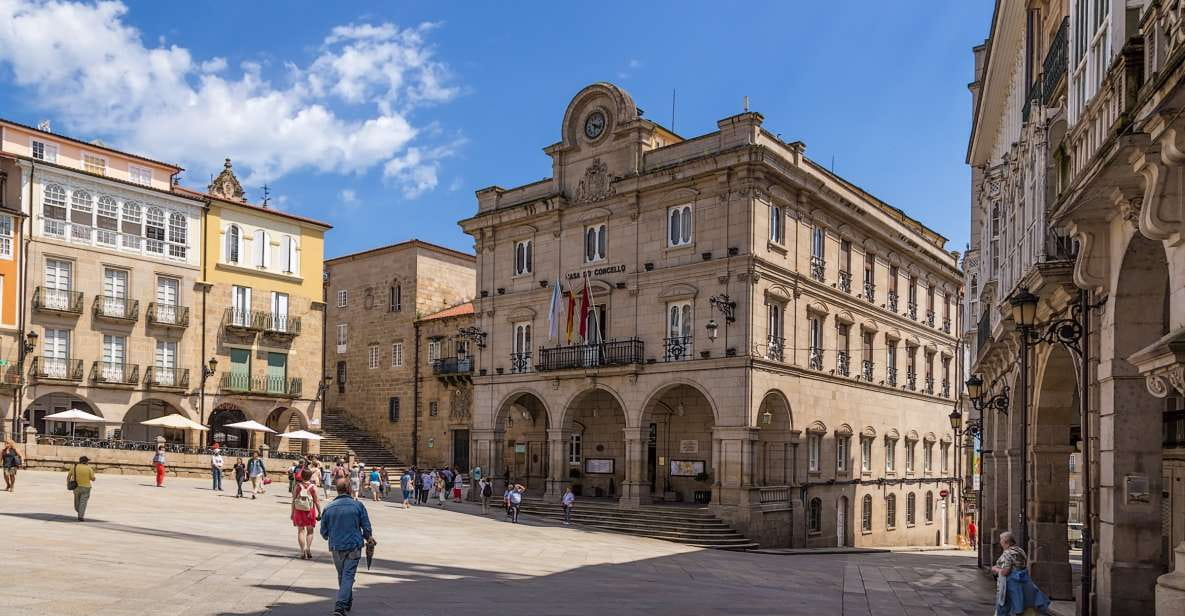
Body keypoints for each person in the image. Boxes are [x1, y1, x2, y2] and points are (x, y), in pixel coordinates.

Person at [320, 478, 374, 616]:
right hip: (354, 545)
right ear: (349, 488)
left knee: (343, 574)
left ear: (337, 490)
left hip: (336, 546)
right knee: (348, 575)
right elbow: (366, 526)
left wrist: (330, 535)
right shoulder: (358, 505)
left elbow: (324, 532)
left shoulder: (328, 507)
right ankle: (340, 606)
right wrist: (368, 537)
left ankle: (346, 601)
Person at [991, 531, 1051, 616]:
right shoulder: (1020, 550)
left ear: (1006, 542)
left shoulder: (1007, 553)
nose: (1000, 542)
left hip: (1010, 584)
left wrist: (995, 569)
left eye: (1001, 540)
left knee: (1004, 606)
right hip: (1023, 582)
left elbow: (1005, 572)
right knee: (1022, 605)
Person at [291, 468, 322, 559]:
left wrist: (292, 513)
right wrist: (319, 512)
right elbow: (317, 501)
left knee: (301, 531)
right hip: (310, 511)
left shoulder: (297, 486)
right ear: (310, 476)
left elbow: (293, 500)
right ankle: (308, 549)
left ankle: (302, 551)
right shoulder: (313, 487)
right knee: (310, 531)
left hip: (299, 510)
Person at [67, 455, 96, 521]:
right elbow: (93, 478)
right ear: (86, 462)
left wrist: (68, 483)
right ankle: (81, 515)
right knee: (83, 502)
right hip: (86, 487)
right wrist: (93, 478)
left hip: (76, 487)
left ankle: (79, 512)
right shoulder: (89, 468)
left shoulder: (74, 467)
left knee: (77, 502)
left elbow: (68, 477)